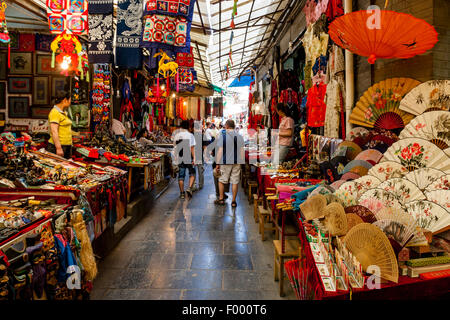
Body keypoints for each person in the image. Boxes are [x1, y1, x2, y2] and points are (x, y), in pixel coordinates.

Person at [215, 119, 244, 207]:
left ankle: (221, 199)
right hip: (236, 162)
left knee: (221, 180)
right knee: (235, 181)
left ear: (226, 126)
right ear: (234, 126)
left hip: (225, 161)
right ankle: (234, 202)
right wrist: (241, 161)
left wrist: (217, 163)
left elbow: (220, 150)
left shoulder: (223, 136)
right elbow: (242, 150)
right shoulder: (239, 136)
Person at [173, 120, 196, 199]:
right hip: (188, 157)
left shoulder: (176, 135)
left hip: (180, 157)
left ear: (181, 126)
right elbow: (192, 148)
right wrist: (195, 158)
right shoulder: (190, 135)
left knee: (181, 176)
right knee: (192, 174)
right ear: (188, 127)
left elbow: (175, 148)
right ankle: (189, 188)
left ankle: (182, 193)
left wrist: (175, 158)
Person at [47, 91, 73, 159]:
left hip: (66, 145)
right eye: (70, 99)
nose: (70, 102)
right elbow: (54, 131)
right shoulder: (55, 112)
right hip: (58, 147)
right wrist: (58, 148)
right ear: (65, 100)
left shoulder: (63, 112)